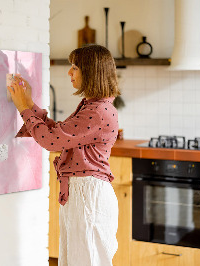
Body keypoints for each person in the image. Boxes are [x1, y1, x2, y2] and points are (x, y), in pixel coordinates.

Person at [7, 44, 120, 266]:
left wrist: (23, 108)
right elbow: (59, 134)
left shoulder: (97, 111)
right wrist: (29, 104)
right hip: (82, 193)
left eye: (75, 67)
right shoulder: (93, 106)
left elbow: (51, 141)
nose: (69, 72)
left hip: (88, 195)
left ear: (91, 71)